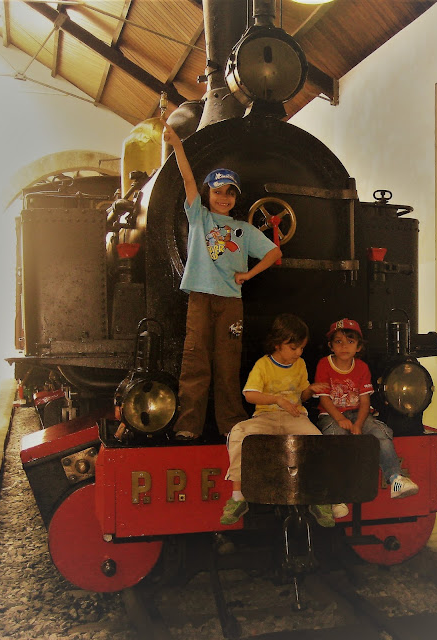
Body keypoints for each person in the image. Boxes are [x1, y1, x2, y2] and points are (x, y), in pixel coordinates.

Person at [163, 122, 282, 440]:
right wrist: (177, 144)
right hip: (201, 298)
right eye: (218, 192)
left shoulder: (244, 230)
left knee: (228, 363)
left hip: (231, 303)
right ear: (208, 194)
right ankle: (188, 425)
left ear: (236, 197)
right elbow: (188, 179)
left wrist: (248, 274)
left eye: (230, 193)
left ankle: (231, 424)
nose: (223, 198)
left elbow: (273, 253)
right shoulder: (199, 217)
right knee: (195, 361)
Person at [220, 313, 349, 528]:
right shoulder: (263, 365)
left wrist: (310, 389)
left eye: (301, 348)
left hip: (294, 417)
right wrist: (277, 400)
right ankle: (238, 497)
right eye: (294, 348)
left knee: (317, 439)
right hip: (266, 417)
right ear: (278, 344)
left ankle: (320, 498)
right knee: (239, 433)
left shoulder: (300, 365)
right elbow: (250, 395)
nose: (298, 353)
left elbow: (301, 396)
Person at [314, 318, 419, 499]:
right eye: (338, 341)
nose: (344, 346)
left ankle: (395, 478)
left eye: (350, 341)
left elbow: (364, 402)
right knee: (336, 438)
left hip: (358, 414)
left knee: (380, 435)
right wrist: (340, 419)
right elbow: (324, 399)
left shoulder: (362, 368)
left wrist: (359, 424)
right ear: (331, 346)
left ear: (359, 347)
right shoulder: (324, 364)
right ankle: (337, 491)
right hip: (331, 415)